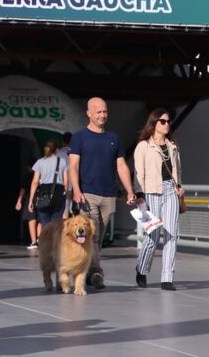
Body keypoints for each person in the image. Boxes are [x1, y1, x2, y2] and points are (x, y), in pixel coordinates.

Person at [68, 97, 136, 290]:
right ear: (88, 113)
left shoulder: (113, 138)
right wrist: (77, 190)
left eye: (105, 111)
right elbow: (73, 166)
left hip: (109, 194)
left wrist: (130, 190)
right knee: (92, 234)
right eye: (98, 112)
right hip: (87, 193)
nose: (102, 115)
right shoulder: (80, 137)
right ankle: (96, 272)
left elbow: (121, 165)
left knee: (98, 236)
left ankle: (87, 270)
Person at [133, 108, 184, 291]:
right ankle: (142, 268)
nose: (167, 124)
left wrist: (179, 187)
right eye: (163, 121)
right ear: (153, 123)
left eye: (168, 121)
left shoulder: (173, 146)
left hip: (170, 190)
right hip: (150, 192)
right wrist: (139, 196)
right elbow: (138, 173)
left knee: (171, 234)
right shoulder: (143, 146)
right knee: (153, 236)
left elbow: (177, 170)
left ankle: (167, 278)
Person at [28, 139, 67, 233]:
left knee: (45, 222)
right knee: (56, 221)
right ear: (57, 150)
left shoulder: (40, 162)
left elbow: (35, 182)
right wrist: (64, 193)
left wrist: (31, 200)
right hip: (58, 192)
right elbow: (66, 182)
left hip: (43, 192)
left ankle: (47, 242)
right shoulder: (62, 162)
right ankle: (54, 244)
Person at [15, 161, 39, 249]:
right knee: (39, 219)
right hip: (41, 198)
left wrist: (19, 201)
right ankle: (40, 239)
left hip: (29, 198)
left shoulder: (27, 176)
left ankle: (34, 241)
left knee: (31, 219)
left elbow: (23, 189)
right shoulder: (41, 174)